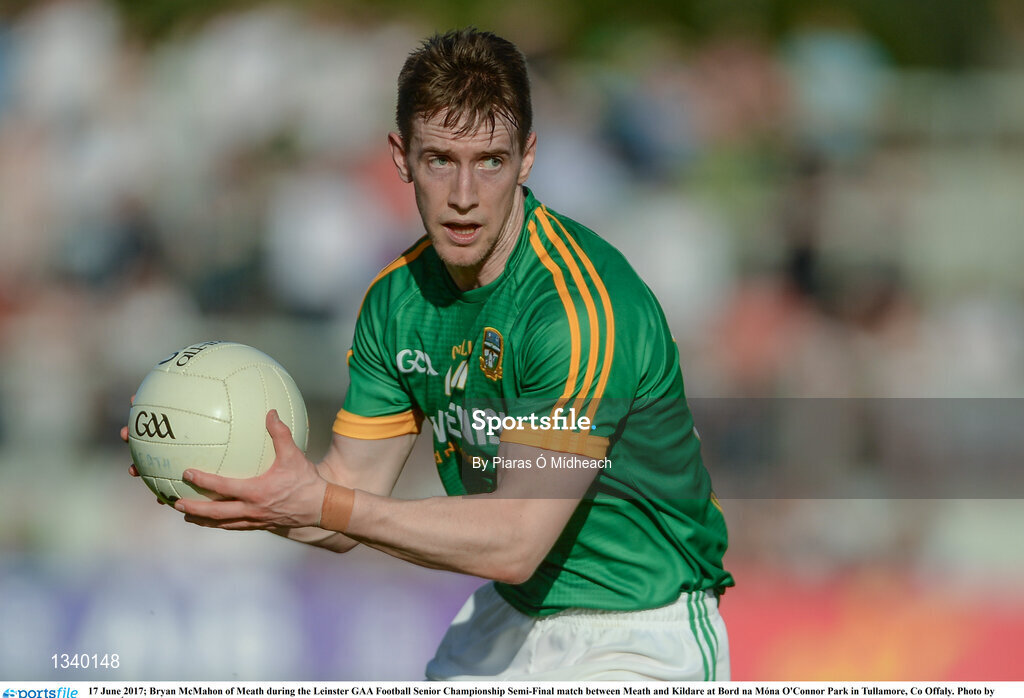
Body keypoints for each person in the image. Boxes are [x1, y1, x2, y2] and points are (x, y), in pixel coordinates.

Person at [125, 28, 734, 681]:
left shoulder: (576, 309)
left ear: (528, 158)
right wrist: (242, 489)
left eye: (491, 160)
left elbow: (516, 540)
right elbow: (342, 503)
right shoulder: (396, 301)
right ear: (401, 157)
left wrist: (321, 504)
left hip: (640, 630)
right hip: (510, 620)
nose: (465, 194)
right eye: (441, 159)